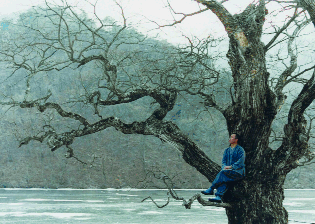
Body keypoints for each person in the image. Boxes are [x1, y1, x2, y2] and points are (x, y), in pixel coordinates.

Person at [201, 133, 245, 203]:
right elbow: (223, 161)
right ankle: (218, 197)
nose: (230, 139)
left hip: (238, 173)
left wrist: (231, 167)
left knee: (222, 174)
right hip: (228, 173)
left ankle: (211, 188)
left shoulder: (240, 150)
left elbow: (241, 161)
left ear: (236, 140)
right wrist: (224, 167)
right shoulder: (227, 150)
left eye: (232, 137)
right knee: (224, 179)